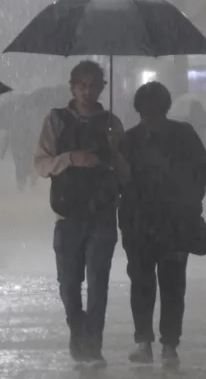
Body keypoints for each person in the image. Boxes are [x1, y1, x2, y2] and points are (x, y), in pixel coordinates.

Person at [34, 60, 130, 369]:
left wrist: (115, 149)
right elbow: (41, 163)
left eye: (93, 85)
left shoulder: (112, 123)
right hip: (68, 215)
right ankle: (78, 331)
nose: (87, 92)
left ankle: (93, 343)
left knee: (98, 282)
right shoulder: (57, 121)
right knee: (68, 284)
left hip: (102, 214)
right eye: (81, 86)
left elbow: (126, 174)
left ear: (102, 87)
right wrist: (72, 159)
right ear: (73, 88)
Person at [120, 82, 206, 368]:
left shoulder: (138, 138)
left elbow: (200, 172)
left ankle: (156, 342)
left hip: (165, 222)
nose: (151, 116)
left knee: (159, 284)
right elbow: (201, 172)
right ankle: (160, 343)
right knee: (156, 284)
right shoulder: (131, 140)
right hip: (148, 222)